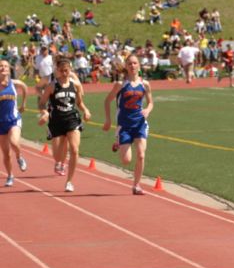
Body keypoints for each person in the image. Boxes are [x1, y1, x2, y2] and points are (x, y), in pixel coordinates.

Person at [102, 54, 154, 195]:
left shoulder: (145, 84)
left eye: (135, 63)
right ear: (126, 66)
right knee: (126, 161)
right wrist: (108, 120)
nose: (132, 66)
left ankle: (136, 185)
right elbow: (107, 101)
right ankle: (119, 141)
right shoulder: (120, 85)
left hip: (140, 124)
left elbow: (150, 102)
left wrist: (147, 110)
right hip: (124, 125)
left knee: (141, 155)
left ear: (139, 65)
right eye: (130, 63)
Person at [38, 58, 91, 192]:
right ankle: (59, 162)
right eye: (62, 70)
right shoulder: (52, 86)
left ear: (70, 69)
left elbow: (79, 103)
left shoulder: (76, 85)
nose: (64, 72)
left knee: (74, 149)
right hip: (57, 120)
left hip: (72, 118)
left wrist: (86, 110)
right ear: (58, 70)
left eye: (66, 70)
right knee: (58, 155)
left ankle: (69, 181)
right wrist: (44, 113)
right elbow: (42, 102)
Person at [0, 60, 28, 187]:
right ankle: (10, 175)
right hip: (1, 123)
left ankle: (19, 156)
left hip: (13, 119)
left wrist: (23, 104)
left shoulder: (14, 83)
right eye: (1, 66)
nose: (3, 68)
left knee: (14, 142)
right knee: (6, 153)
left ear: (8, 69)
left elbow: (25, 87)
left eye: (5, 66)